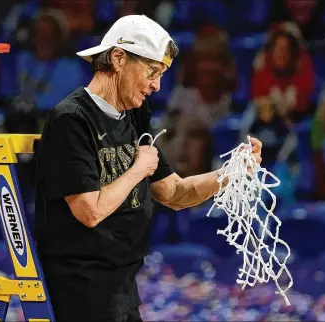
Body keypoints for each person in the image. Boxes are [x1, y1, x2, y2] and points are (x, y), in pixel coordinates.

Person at [34, 15, 263, 322]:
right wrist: (138, 168)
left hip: (123, 286)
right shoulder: (71, 119)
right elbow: (88, 210)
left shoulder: (133, 113)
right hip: (81, 289)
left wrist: (233, 172)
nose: (156, 86)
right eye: (152, 72)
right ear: (118, 58)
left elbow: (174, 193)